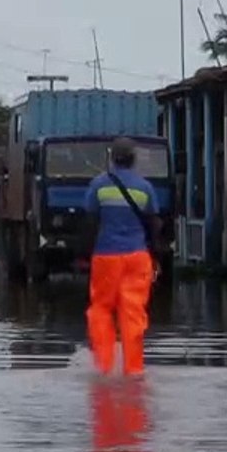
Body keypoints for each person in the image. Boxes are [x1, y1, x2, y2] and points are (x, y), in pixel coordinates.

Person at [84, 137, 161, 376]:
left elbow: (90, 222)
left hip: (106, 256)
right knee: (133, 313)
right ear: (134, 159)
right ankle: (133, 370)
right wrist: (155, 256)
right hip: (137, 257)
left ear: (111, 158)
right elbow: (154, 225)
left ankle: (104, 367)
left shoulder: (98, 186)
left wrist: (85, 254)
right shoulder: (145, 188)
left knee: (102, 309)